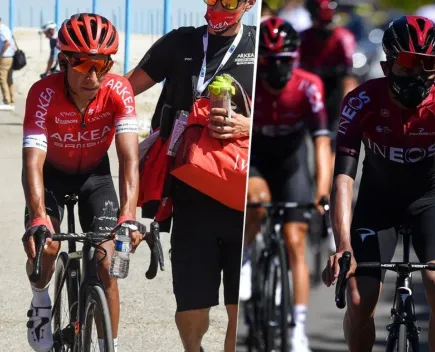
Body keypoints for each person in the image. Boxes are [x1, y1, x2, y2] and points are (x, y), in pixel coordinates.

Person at [322, 15, 435, 352]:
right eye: (408, 65)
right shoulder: (360, 101)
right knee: (359, 298)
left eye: (428, 66)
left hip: (434, 202)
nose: (418, 75)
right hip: (378, 204)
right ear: (388, 64)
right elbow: (343, 177)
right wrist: (342, 244)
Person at [125, 1, 256, 351]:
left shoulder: (259, 48)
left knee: (239, 309)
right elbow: (125, 90)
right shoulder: (180, 42)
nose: (216, 6)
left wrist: (249, 125)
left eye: (227, 0)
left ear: (249, 4)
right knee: (190, 308)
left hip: (242, 198)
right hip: (189, 194)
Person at [22, 13, 143, 352]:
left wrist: (128, 215)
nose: (93, 76)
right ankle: (40, 301)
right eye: (83, 65)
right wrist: (38, 216)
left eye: (102, 65)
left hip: (95, 176)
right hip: (52, 177)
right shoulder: (42, 94)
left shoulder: (119, 90)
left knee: (107, 263)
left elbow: (129, 158)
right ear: (64, 61)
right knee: (46, 244)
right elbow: (32, 160)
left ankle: (110, 345)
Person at [243, 17, 331, 352]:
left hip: (292, 162)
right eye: (268, 61)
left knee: (296, 241)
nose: (275, 68)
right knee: (258, 198)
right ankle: (247, 254)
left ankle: (298, 329)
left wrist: (322, 191)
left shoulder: (308, 85)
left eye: (282, 62)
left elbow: (321, 143)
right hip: (257, 160)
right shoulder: (248, 84)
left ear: (294, 59)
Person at [299, 0, 357, 164]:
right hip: (310, 88)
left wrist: (348, 105)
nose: (324, 30)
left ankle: (328, 171)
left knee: (331, 134)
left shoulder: (343, 36)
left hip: (334, 89)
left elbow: (349, 74)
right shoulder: (305, 36)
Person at [0, 17, 15, 111]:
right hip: (11, 56)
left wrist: (1, 54)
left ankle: (7, 100)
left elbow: (7, 42)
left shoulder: (1, 29)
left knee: (2, 79)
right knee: (9, 79)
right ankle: (11, 99)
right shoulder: (7, 28)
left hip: (4, 57)